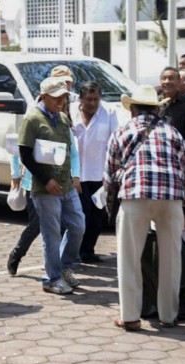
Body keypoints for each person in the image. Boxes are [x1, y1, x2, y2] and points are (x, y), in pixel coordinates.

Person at [103, 84, 185, 331]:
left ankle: (130, 317)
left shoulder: (122, 132)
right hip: (171, 197)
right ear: (156, 110)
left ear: (132, 109)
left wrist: (112, 210)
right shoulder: (173, 133)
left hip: (135, 195)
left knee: (129, 259)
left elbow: (110, 174)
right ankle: (168, 315)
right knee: (171, 258)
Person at [18, 77, 85, 295]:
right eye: (56, 97)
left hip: (66, 185)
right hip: (44, 189)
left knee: (77, 227)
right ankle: (52, 279)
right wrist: (46, 179)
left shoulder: (63, 118)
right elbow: (25, 154)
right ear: (43, 96)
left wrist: (74, 176)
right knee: (51, 235)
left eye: (64, 97)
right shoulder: (32, 119)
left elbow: (68, 151)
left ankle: (64, 268)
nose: (61, 101)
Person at [6, 131, 81, 276]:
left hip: (60, 185)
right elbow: (16, 151)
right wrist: (15, 175)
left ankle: (57, 266)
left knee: (62, 226)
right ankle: (17, 254)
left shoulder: (64, 127)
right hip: (34, 184)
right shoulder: (34, 123)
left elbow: (74, 154)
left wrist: (75, 175)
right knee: (36, 225)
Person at [70, 81, 119, 263]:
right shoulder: (71, 111)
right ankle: (75, 249)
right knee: (82, 213)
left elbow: (115, 141)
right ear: (80, 98)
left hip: (100, 174)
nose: (92, 103)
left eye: (96, 99)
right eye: (88, 99)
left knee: (97, 215)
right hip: (77, 174)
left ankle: (88, 251)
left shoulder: (109, 112)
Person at [157, 67, 185, 155]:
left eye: (171, 78)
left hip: (177, 155)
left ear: (178, 81)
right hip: (157, 152)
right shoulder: (153, 103)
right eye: (164, 78)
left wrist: (183, 144)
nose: (167, 81)